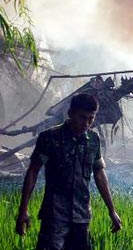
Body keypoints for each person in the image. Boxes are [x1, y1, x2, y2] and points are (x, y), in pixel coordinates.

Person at [15, 93, 122, 250]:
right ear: (71, 113)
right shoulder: (49, 137)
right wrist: (23, 210)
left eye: (91, 118)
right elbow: (33, 171)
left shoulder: (93, 139)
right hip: (54, 216)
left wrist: (112, 211)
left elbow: (99, 173)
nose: (86, 123)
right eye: (82, 117)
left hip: (81, 216)